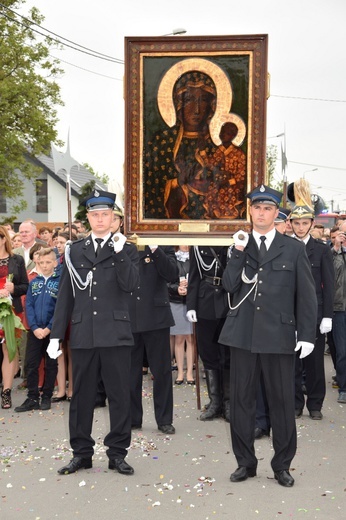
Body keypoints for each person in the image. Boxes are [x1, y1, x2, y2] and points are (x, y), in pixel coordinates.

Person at [218, 184, 317, 487]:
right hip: (243, 335)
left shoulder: (293, 248)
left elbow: (307, 296)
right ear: (250, 211)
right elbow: (229, 285)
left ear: (277, 214)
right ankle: (245, 462)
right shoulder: (239, 244)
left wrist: (307, 334)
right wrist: (237, 252)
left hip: (279, 334)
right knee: (241, 402)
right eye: (257, 208)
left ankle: (282, 465)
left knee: (282, 402)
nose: (261, 213)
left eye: (268, 209)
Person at [48, 189, 139, 476]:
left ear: (114, 218)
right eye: (95, 215)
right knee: (82, 396)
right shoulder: (74, 250)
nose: (100, 219)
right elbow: (66, 295)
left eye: (105, 215)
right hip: (84, 332)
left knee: (119, 396)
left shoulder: (127, 248)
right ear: (88, 218)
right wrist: (55, 334)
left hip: (115, 332)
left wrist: (121, 252)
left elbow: (131, 285)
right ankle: (82, 453)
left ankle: (117, 453)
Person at [144, 71, 219, 219]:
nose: (196, 109)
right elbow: (150, 189)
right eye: (189, 99)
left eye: (203, 100)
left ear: (211, 106)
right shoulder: (161, 142)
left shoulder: (215, 147)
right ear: (179, 104)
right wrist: (176, 183)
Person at [289, 201, 334, 420]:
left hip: (315, 314)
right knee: (293, 362)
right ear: (291, 224)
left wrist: (328, 315)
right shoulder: (285, 248)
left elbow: (329, 283)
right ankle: (296, 403)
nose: (300, 227)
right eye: (296, 223)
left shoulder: (322, 250)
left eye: (304, 223)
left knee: (315, 362)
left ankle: (315, 404)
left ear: (312, 223)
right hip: (289, 313)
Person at [129, 245, 178, 434]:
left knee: (162, 371)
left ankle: (164, 419)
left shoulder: (163, 246)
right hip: (130, 315)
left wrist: (155, 249)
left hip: (156, 317)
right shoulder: (123, 244)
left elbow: (172, 273)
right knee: (130, 372)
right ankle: (133, 418)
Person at [186, 245, 230, 421]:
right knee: (208, 353)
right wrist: (191, 305)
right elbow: (194, 276)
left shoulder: (233, 241)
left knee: (228, 355)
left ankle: (229, 403)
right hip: (205, 302)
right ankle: (215, 402)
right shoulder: (198, 245)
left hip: (228, 301)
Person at [14, 248, 60, 413]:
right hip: (35, 330)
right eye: (42, 263)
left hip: (52, 332)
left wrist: (49, 328)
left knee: (51, 363)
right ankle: (32, 396)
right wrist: (34, 327)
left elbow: (60, 308)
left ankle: (47, 395)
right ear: (37, 263)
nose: (45, 266)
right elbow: (29, 306)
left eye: (49, 262)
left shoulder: (60, 281)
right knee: (31, 364)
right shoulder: (34, 282)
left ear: (55, 263)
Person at [0, 225, 28, 409]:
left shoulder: (16, 260)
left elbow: (25, 285)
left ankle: (7, 391)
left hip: (10, 311)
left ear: (3, 239)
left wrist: (13, 289)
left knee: (9, 350)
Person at [205, 121, 247, 219]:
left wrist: (228, 182)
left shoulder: (239, 154)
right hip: (218, 184)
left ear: (233, 136)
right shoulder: (218, 151)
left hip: (233, 187)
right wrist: (203, 152)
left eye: (227, 133)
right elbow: (210, 165)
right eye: (222, 132)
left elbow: (241, 174)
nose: (223, 135)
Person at [167, 245, 194, 385]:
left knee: (190, 338)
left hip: (191, 302)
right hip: (176, 301)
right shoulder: (172, 259)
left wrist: (191, 285)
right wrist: (177, 287)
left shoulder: (195, 258)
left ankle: (190, 372)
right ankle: (180, 372)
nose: (186, 245)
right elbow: (166, 282)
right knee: (178, 338)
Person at [330, 221, 346, 404]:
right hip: (339, 307)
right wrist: (336, 249)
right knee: (342, 351)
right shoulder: (334, 253)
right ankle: (344, 387)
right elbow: (330, 274)